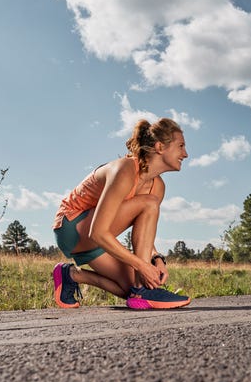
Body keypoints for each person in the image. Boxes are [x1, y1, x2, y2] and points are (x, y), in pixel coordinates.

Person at [52, 117, 191, 310]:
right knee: (141, 282)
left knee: (131, 290)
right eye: (181, 146)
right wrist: (142, 267)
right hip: (72, 226)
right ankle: (142, 291)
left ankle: (71, 275)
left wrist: (156, 258)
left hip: (97, 238)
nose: (186, 154)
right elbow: (98, 232)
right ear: (160, 147)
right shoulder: (125, 170)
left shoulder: (157, 186)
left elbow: (145, 231)